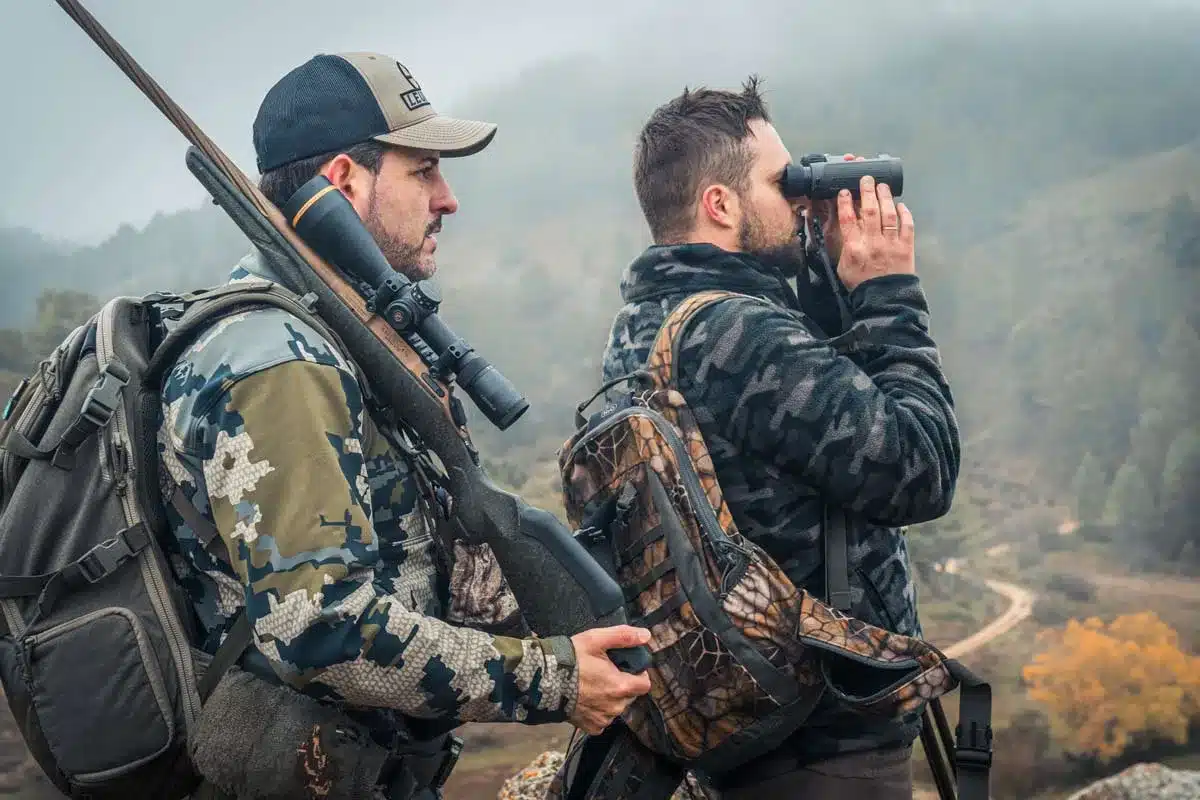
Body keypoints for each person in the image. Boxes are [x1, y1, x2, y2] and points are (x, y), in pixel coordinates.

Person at [156, 51, 652, 799]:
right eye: (423, 171)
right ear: (344, 183)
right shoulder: (280, 363)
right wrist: (552, 679)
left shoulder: (336, 339)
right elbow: (322, 630)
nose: (447, 199)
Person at [599, 76, 960, 799]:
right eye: (781, 181)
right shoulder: (742, 333)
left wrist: (826, 275)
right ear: (720, 203)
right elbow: (920, 470)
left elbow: (804, 422)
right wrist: (888, 294)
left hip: (747, 727)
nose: (800, 198)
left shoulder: (649, 327)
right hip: (824, 745)